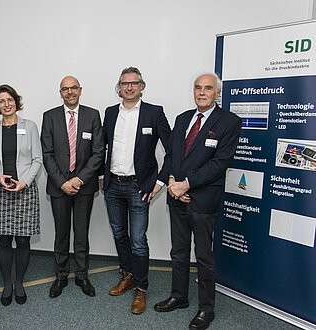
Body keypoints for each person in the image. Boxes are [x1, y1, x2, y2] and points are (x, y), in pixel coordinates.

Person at [153, 73, 241, 330]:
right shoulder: (182, 119)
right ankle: (178, 296)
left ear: (217, 93)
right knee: (178, 252)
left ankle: (206, 309)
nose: (202, 92)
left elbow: (220, 163)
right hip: (177, 196)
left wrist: (186, 184)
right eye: (198, 88)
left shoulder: (229, 122)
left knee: (203, 256)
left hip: (202, 199)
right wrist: (171, 181)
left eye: (208, 88)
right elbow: (172, 154)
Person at [99, 67, 171, 314]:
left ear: (142, 86)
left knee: (138, 240)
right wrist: (101, 176)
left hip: (139, 186)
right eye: (124, 83)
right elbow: (101, 147)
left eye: (134, 83)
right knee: (119, 233)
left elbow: (172, 151)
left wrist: (159, 183)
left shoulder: (154, 113)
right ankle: (127, 274)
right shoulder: (110, 113)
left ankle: (141, 288)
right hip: (112, 186)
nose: (129, 87)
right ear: (119, 87)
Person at [41, 75, 104, 298]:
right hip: (59, 187)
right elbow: (47, 154)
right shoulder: (49, 117)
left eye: (73, 88)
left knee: (81, 233)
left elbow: (98, 153)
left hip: (84, 187)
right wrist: (62, 182)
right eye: (65, 89)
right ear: (60, 93)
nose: (70, 92)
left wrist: (79, 180)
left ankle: (81, 276)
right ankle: (60, 277)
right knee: (61, 234)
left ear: (80, 90)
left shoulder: (93, 115)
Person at [0, 84, 42, 306]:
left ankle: (19, 282)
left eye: (9, 100)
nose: (6, 104)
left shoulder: (30, 127)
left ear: (16, 102)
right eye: (1, 101)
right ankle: (7, 282)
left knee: (23, 239)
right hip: (1, 191)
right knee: (4, 240)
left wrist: (24, 182)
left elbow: (38, 159)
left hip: (25, 190)